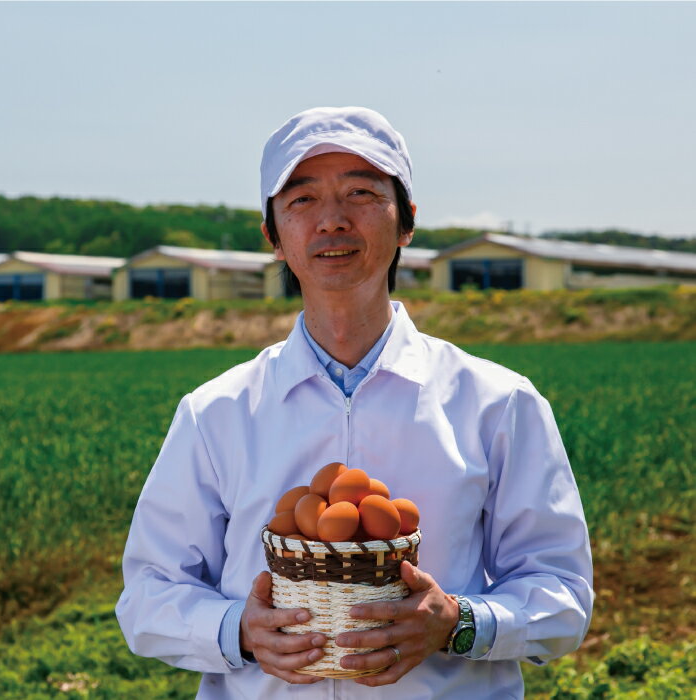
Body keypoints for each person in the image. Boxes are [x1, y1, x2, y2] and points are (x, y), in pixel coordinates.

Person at [116, 106, 594, 699]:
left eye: (362, 193)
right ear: (273, 236)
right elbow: (147, 595)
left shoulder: (498, 404)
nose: (332, 221)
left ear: (407, 222)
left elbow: (563, 593)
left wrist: (459, 624)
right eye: (302, 200)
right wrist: (237, 629)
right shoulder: (217, 413)